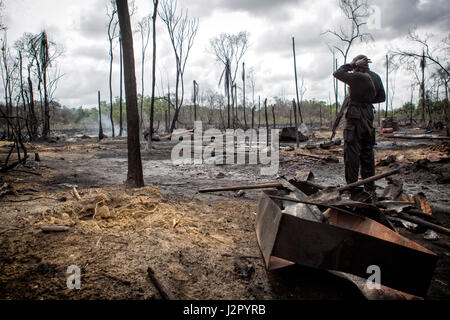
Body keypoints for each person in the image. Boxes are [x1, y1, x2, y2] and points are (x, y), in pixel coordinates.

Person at [333, 55, 386, 201]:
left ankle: (353, 189)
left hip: (355, 116)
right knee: (367, 152)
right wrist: (367, 100)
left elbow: (337, 73)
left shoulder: (358, 76)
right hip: (368, 115)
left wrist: (352, 64)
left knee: (352, 153)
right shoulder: (375, 77)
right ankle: (370, 188)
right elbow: (382, 97)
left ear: (358, 64)